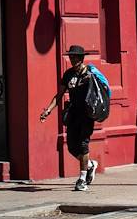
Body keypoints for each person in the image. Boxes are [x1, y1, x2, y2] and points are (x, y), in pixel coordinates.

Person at [39, 44, 103, 191]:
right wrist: (48, 110)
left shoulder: (90, 75)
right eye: (71, 56)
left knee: (83, 144)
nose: (72, 59)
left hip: (87, 115)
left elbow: (99, 94)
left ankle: (82, 180)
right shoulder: (68, 74)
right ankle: (90, 165)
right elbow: (59, 95)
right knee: (72, 147)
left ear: (81, 58)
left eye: (75, 57)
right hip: (73, 114)